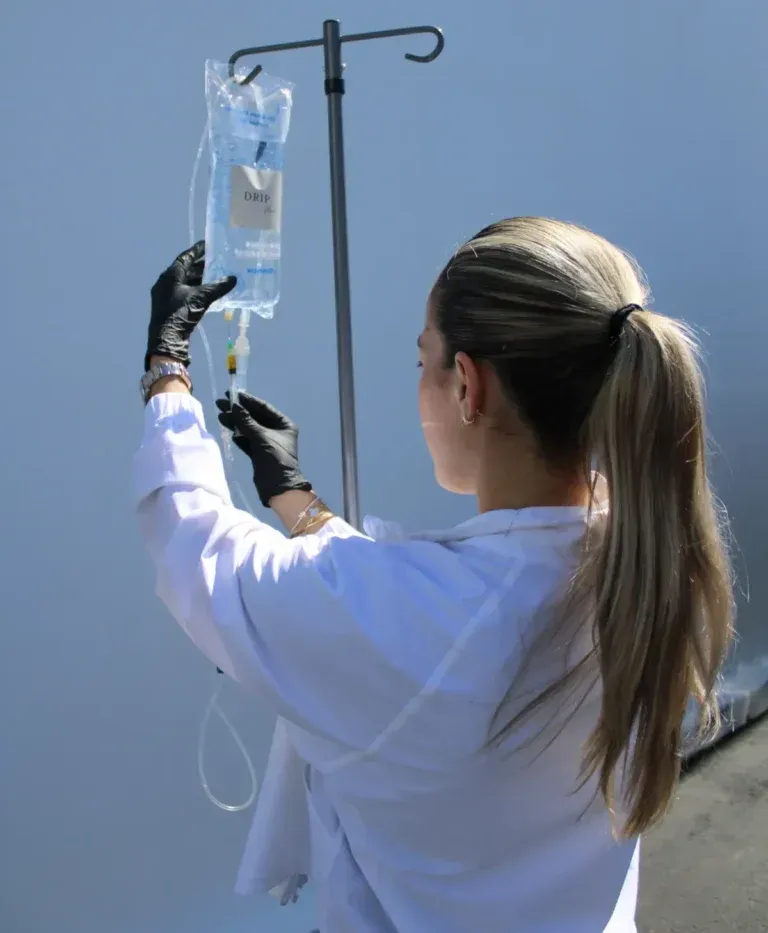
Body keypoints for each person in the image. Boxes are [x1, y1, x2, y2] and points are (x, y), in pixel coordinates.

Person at [134, 218, 734, 933]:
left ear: (468, 387)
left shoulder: (436, 617)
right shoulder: (645, 561)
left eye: (424, 360)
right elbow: (407, 615)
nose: (420, 382)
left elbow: (193, 541)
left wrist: (166, 370)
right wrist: (295, 497)